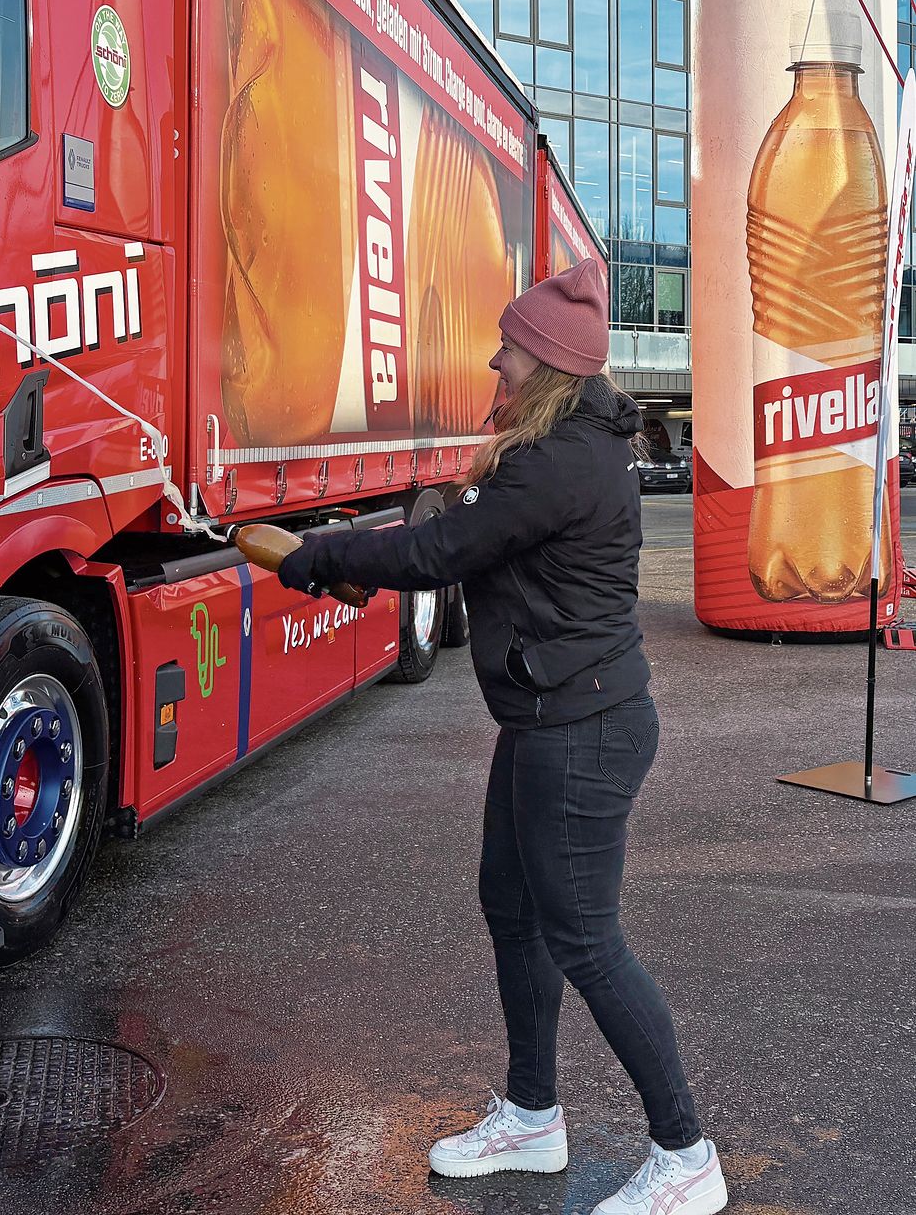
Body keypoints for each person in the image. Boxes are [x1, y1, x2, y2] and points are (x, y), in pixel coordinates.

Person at [276, 261, 728, 1215]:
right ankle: (531, 1116)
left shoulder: (556, 460)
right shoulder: (568, 438)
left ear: (549, 368)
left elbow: (438, 551)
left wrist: (321, 558)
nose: (493, 361)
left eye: (508, 352)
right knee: (512, 912)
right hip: (548, 716)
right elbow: (459, 537)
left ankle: (685, 1154)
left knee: (586, 942)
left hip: (582, 726)